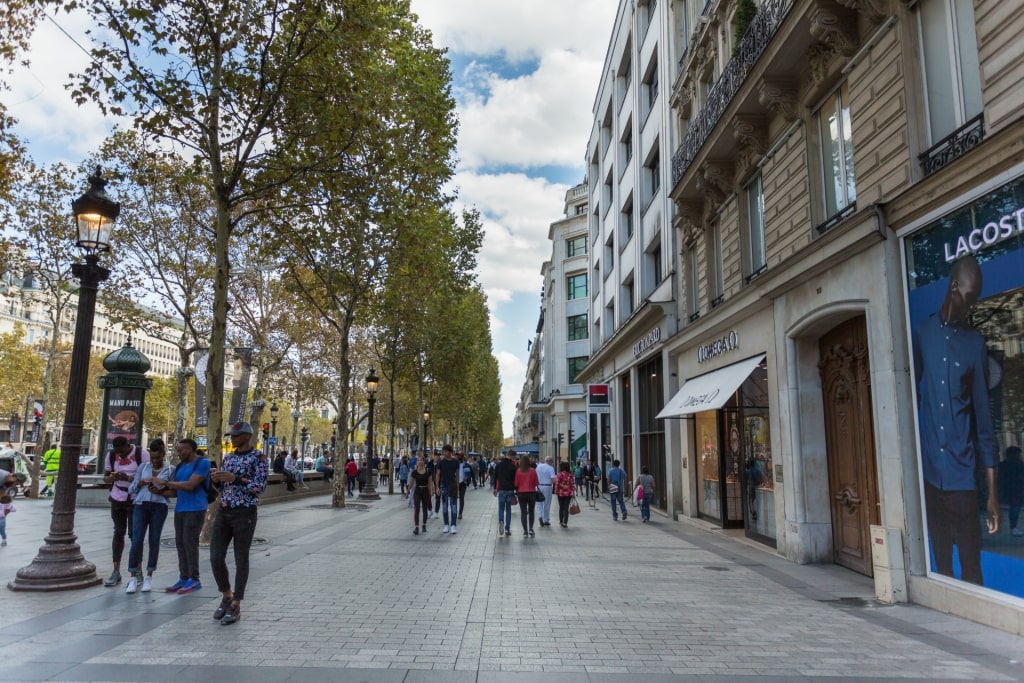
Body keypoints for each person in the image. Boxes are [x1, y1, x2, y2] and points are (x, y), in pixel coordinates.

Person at [913, 254, 998, 584]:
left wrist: (991, 493)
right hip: (932, 480)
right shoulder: (922, 335)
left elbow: (984, 421)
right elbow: (913, 400)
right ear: (953, 288)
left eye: (977, 298)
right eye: (970, 296)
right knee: (942, 570)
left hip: (963, 481)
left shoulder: (975, 344)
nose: (973, 306)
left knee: (972, 570)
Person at [209, 422, 268, 625]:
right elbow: (222, 488)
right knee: (215, 556)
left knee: (241, 558)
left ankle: (236, 603)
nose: (232, 438)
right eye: (231, 435)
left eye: (236, 435)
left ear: (247, 436)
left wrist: (235, 479)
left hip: (245, 512)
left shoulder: (258, 458)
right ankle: (226, 594)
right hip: (224, 510)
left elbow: (259, 487)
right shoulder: (229, 457)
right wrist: (216, 480)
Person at [153, 438, 211, 594]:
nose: (179, 453)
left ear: (192, 449)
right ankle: (184, 577)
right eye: (178, 450)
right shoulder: (179, 467)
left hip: (196, 508)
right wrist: (158, 490)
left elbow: (191, 485)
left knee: (189, 542)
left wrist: (165, 482)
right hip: (180, 509)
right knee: (180, 543)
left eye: (182, 450)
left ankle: (194, 578)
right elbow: (176, 492)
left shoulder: (203, 463)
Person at [125, 439, 174, 594]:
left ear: (163, 455)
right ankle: (133, 576)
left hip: (159, 506)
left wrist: (156, 482)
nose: (154, 461)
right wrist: (140, 482)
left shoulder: (170, 469)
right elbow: (131, 489)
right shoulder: (143, 467)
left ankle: (149, 575)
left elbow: (172, 489)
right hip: (141, 505)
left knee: (154, 540)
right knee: (137, 539)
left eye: (157, 458)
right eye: (152, 458)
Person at [102, 437, 148, 587]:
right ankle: (116, 571)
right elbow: (105, 478)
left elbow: (147, 476)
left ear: (128, 446)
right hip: (117, 497)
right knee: (118, 532)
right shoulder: (111, 456)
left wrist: (130, 478)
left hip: (136, 498)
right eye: (117, 452)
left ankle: (137, 570)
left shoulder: (142, 454)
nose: (120, 455)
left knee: (135, 534)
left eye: (122, 452)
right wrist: (112, 477)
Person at [435, 444, 461, 534]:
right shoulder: (441, 462)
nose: (444, 453)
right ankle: (446, 524)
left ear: (450, 452)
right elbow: (437, 474)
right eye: (443, 451)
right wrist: (437, 487)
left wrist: (458, 488)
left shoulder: (456, 462)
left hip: (453, 485)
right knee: (445, 506)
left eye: (446, 451)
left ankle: (453, 525)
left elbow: (457, 476)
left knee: (453, 506)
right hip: (444, 485)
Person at [999, 446, 1024, 537]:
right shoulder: (1018, 464)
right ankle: (1013, 527)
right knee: (1015, 508)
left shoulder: (1004, 465)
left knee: (1015, 508)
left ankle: (1013, 527)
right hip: (1015, 489)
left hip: (1013, 489)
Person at [493, 450, 517, 536]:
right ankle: (507, 529)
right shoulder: (513, 466)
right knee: (508, 509)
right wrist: (516, 490)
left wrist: (495, 489)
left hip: (501, 489)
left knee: (501, 508)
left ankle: (501, 521)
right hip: (510, 489)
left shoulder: (499, 465)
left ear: (506, 455)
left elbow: (495, 477)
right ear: (513, 456)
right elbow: (515, 480)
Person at [514, 454, 540, 537]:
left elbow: (516, 483)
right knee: (531, 511)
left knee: (523, 512)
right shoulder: (532, 470)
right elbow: (536, 483)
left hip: (521, 493)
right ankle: (531, 529)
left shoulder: (518, 471)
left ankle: (525, 531)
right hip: (531, 493)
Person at [409, 455, 434, 535]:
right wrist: (407, 491)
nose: (420, 462)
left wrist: (431, 491)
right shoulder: (414, 472)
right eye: (418, 460)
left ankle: (424, 525)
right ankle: (416, 527)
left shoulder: (428, 471)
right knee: (417, 509)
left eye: (421, 460)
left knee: (424, 508)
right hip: (417, 490)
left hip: (425, 490)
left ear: (424, 461)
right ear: (417, 462)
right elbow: (411, 482)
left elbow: (430, 482)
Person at [534, 456, 556, 527]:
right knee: (547, 503)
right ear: (550, 462)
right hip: (547, 486)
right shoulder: (550, 468)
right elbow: (553, 479)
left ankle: (540, 516)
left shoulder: (538, 467)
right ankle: (546, 519)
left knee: (539, 502)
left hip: (539, 486)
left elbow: (535, 476)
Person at [553, 461, 576, 528]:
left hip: (560, 493)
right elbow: (572, 485)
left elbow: (557, 484)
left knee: (561, 507)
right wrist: (573, 492)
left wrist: (556, 491)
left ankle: (561, 521)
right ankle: (565, 522)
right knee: (566, 508)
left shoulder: (559, 474)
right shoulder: (570, 475)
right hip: (568, 493)